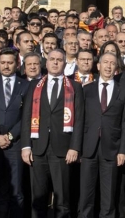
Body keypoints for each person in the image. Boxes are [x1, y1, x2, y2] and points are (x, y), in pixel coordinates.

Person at [21, 49, 84, 218]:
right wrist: (26, 146)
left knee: (62, 200)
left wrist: (75, 147)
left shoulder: (75, 87)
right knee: (38, 198)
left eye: (59, 60)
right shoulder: (34, 85)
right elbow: (27, 116)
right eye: (52, 59)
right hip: (38, 148)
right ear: (46, 63)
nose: (55, 62)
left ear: (65, 63)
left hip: (63, 150)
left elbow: (79, 120)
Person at [79, 53, 125, 218]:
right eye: (105, 63)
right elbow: (79, 121)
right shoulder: (86, 90)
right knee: (86, 196)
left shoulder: (123, 92)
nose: (109, 66)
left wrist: (123, 150)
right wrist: (77, 148)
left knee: (108, 198)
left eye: (112, 63)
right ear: (98, 66)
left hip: (112, 149)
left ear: (116, 68)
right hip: (88, 149)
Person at [0, 49, 30, 218]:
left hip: (14, 144)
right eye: (2, 62)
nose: (6, 66)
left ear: (17, 64)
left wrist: (10, 136)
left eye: (10, 62)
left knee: (16, 191)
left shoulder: (25, 85)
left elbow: (27, 114)